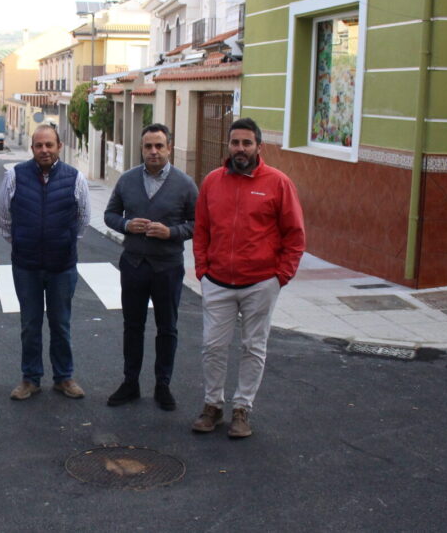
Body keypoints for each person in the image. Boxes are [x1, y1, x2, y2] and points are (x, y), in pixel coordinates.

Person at [191, 117, 305, 438]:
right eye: (235, 143)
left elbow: (295, 235)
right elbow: (201, 230)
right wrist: (203, 270)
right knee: (213, 346)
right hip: (217, 282)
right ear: (228, 145)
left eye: (247, 143)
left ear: (258, 147)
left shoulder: (278, 183)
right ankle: (212, 406)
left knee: (253, 347)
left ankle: (242, 409)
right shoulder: (212, 182)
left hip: (260, 284)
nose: (240, 149)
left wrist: (279, 277)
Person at [104, 124, 198, 411]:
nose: (153, 151)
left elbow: (198, 224)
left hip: (167, 268)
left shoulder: (185, 184)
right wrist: (125, 225)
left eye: (159, 146)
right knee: (132, 326)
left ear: (169, 148)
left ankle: (163, 385)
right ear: (142, 149)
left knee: (167, 327)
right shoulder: (128, 180)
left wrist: (171, 233)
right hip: (133, 265)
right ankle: (130, 382)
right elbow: (110, 214)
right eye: (148, 146)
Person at [0, 125, 90, 401]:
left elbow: (83, 220)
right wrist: (24, 243)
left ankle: (64, 377)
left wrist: (62, 243)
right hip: (27, 266)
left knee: (61, 323)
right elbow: (4, 219)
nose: (44, 150)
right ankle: (30, 379)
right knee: (30, 324)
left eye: (49, 145)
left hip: (62, 266)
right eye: (39, 145)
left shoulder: (75, 178)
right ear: (32, 148)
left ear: (59, 146)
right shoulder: (15, 175)